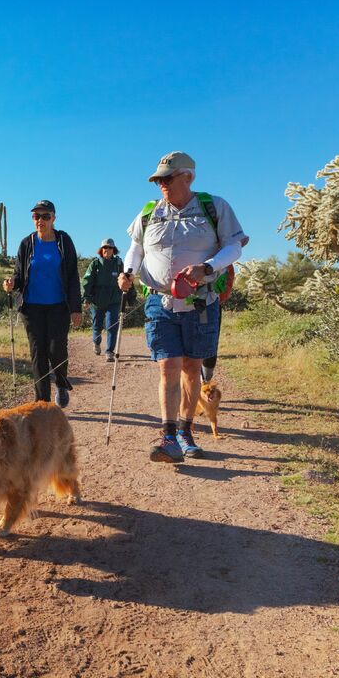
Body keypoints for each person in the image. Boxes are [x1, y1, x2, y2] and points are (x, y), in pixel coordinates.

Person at [118, 152, 248, 462]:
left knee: (192, 368)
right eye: (158, 180)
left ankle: (186, 431)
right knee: (168, 366)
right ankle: (168, 436)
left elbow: (234, 246)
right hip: (159, 301)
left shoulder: (214, 207)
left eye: (167, 178)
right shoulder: (149, 212)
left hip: (201, 302)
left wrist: (207, 266)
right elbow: (135, 249)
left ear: (187, 177)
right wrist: (128, 273)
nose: (161, 184)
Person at [2, 200, 83, 406]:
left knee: (57, 350)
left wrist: (76, 309)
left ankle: (62, 384)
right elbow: (20, 276)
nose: (40, 220)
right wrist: (11, 283)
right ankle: (42, 403)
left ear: (53, 218)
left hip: (58, 306)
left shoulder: (63, 241)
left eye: (45, 216)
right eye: (36, 216)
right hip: (32, 307)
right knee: (38, 353)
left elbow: (73, 276)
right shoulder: (26, 243)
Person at [82, 238, 125, 362]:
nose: (107, 249)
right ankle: (96, 343)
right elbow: (87, 281)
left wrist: (130, 297)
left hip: (114, 300)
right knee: (97, 326)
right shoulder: (95, 264)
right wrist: (86, 298)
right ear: (101, 250)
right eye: (105, 247)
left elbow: (125, 280)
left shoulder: (118, 263)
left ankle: (110, 352)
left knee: (112, 325)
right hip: (97, 301)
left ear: (114, 250)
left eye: (110, 247)